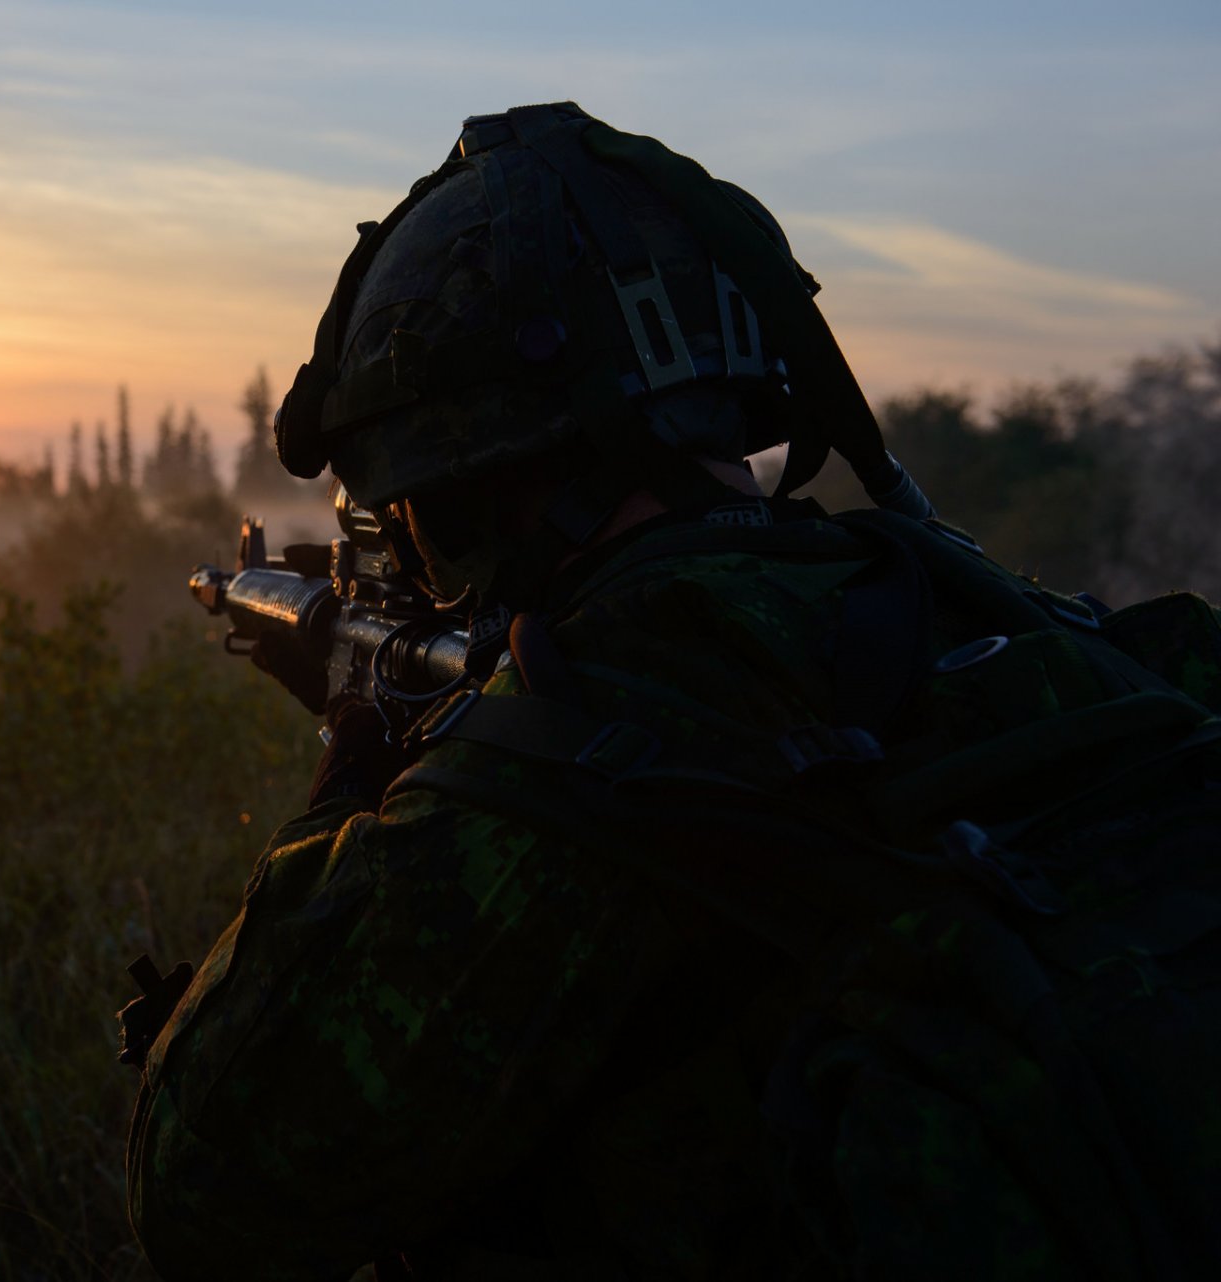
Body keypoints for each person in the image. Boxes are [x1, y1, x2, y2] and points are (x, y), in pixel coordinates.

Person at [121, 102, 1221, 1280]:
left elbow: (202, 1188)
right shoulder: (1006, 615)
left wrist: (353, 768)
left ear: (458, 478)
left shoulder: (579, 752)